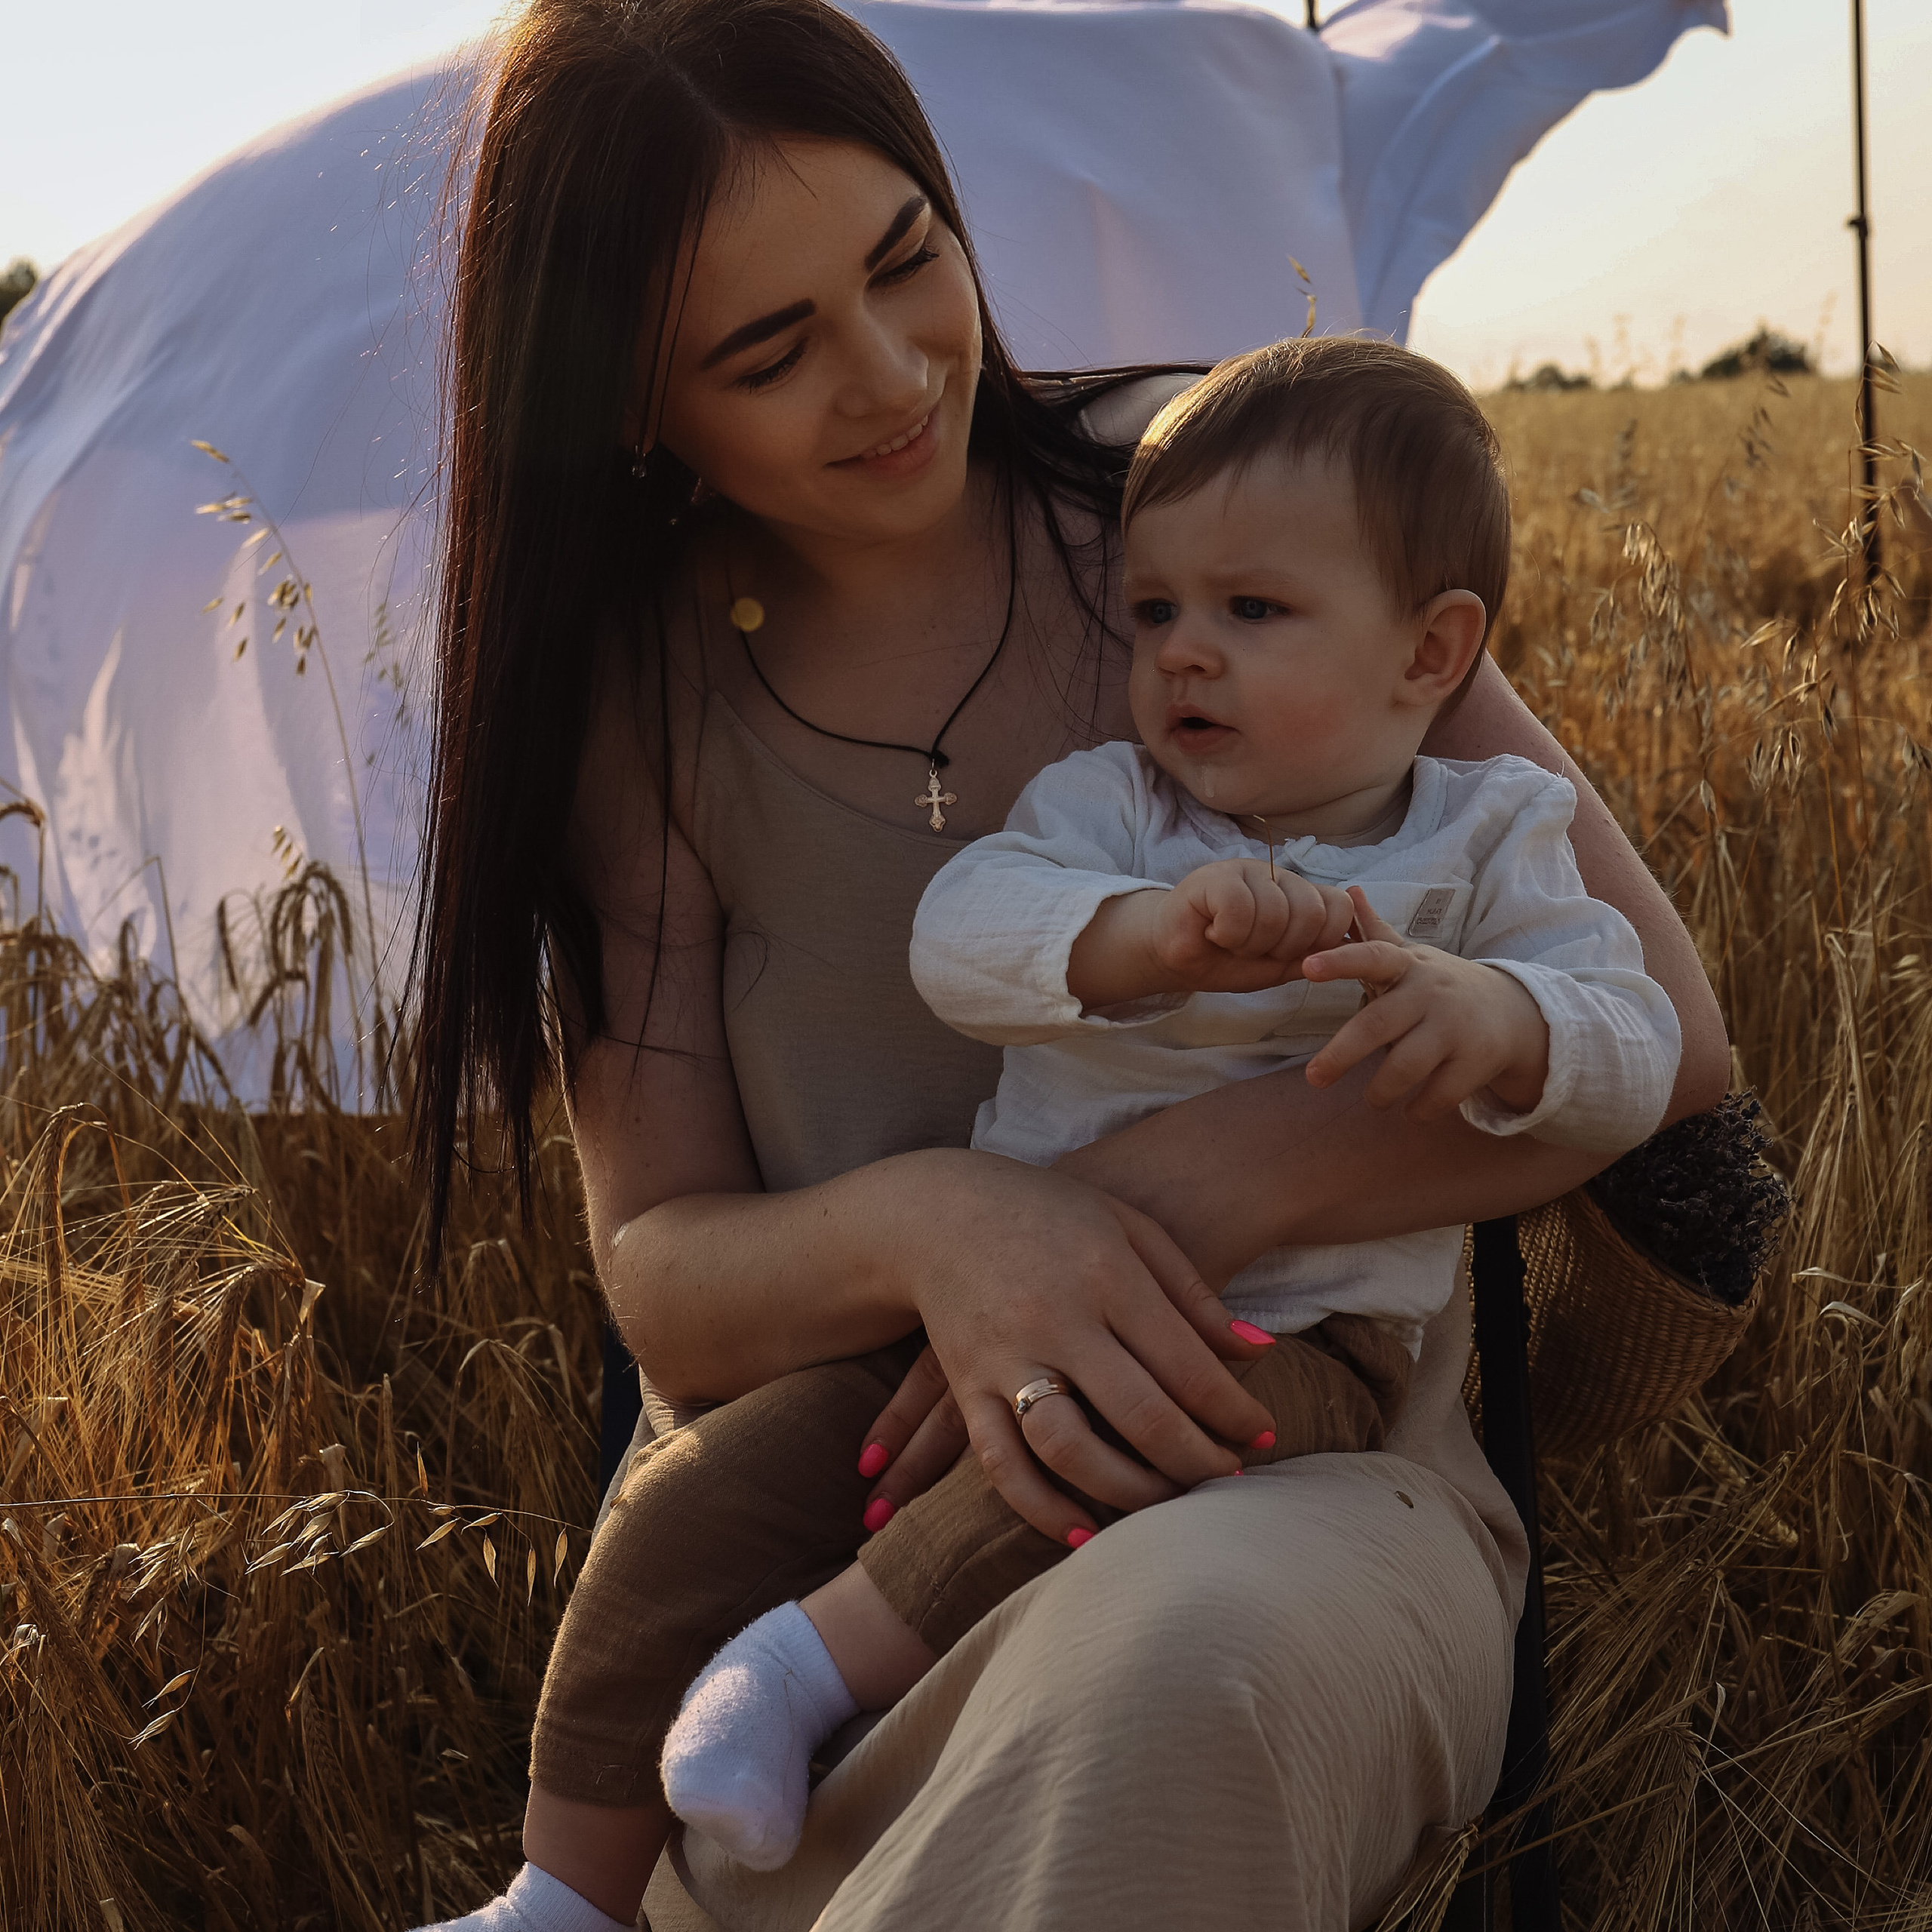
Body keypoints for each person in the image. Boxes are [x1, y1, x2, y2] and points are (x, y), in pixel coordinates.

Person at [408, 2, 1729, 1927]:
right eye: (767, 351)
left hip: (1275, 1462)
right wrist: (948, 1233)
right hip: (830, 1523)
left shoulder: (1206, 498)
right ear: (629, 399)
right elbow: (670, 1291)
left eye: (905, 259)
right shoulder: (637, 700)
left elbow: (1662, 1038)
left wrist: (1169, 1189)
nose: (887, 376)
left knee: (1174, 1675)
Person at [640, 335, 1681, 1873]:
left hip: (1299, 1339)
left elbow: (1648, 1040)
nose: (1182, 651)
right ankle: (558, 1874)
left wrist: (1506, 1015)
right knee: (704, 1496)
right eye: (1153, 611)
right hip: (968, 1311)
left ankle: (815, 1657)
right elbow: (964, 929)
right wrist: (1142, 935)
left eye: (1248, 613)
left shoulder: (1488, 840)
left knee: (1118, 1441)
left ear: (1427, 653)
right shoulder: (1116, 807)